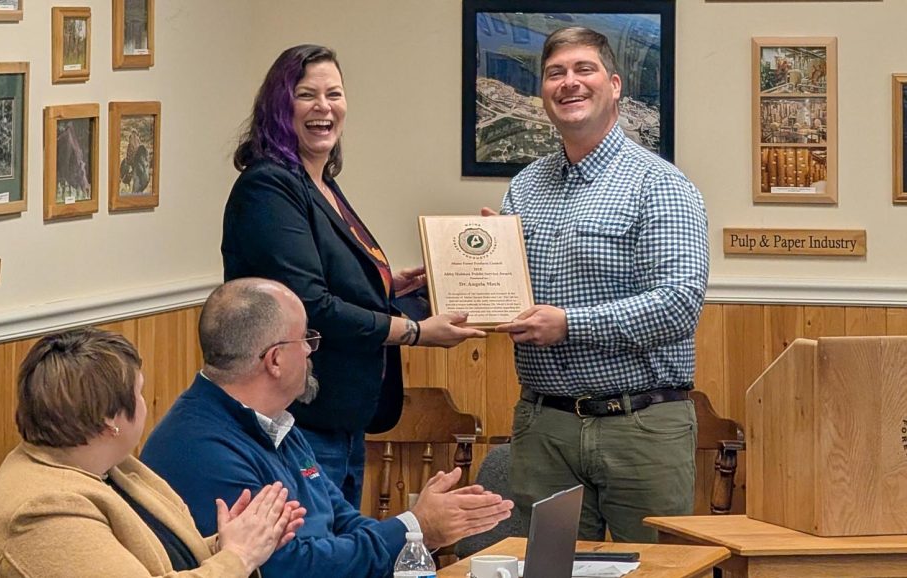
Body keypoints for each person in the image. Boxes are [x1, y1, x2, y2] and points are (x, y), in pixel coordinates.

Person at [221, 44, 485, 508]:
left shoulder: (320, 183)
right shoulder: (268, 185)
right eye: (307, 95)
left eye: (334, 94)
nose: (324, 108)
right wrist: (415, 331)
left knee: (345, 550)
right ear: (279, 106)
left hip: (343, 420)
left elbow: (330, 277)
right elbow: (309, 303)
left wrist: (387, 286)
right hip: (302, 416)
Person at [489, 27, 709, 543]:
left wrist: (568, 325)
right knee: (546, 571)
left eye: (583, 69)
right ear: (542, 92)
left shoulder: (660, 185)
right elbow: (511, 297)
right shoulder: (524, 187)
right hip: (545, 427)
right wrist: (484, 262)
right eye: (555, 73)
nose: (569, 83)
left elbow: (678, 305)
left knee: (655, 572)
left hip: (642, 426)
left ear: (614, 86)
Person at [141, 279, 513, 578]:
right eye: (306, 339)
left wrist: (415, 532)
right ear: (275, 359)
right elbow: (289, 567)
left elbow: (339, 519)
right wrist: (416, 528)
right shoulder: (203, 450)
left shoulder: (275, 420)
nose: (310, 351)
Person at [0, 327, 306, 578]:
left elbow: (158, 561)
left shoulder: (112, 467)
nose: (145, 404)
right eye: (140, 392)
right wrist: (238, 557)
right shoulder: (41, 513)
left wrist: (233, 543)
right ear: (109, 420)